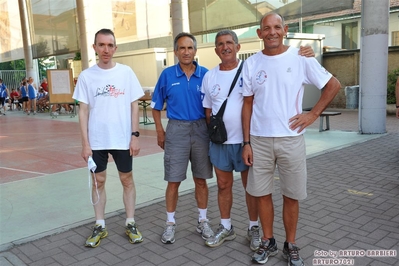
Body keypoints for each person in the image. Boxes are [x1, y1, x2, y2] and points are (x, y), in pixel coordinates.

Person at [242, 13, 341, 265]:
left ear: (285, 30)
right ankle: (268, 241)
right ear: (259, 33)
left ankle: (291, 244)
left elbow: (333, 85)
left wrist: (313, 114)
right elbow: (248, 105)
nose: (272, 32)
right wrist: (246, 142)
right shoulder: (251, 63)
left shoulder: (300, 57)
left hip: (291, 139)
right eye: (267, 28)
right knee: (262, 194)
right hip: (260, 140)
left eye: (277, 27)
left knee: (291, 195)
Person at [202, 30, 315, 251]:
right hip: (220, 143)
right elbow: (208, 110)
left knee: (252, 188)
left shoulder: (251, 67)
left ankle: (254, 228)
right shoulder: (210, 76)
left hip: (249, 142)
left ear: (237, 47)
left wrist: (306, 53)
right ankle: (226, 226)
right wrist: (216, 133)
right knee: (223, 186)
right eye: (220, 44)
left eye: (229, 43)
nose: (225, 47)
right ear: (215, 49)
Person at [73, 28, 145, 248]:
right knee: (99, 181)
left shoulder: (126, 73)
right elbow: (83, 111)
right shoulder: (86, 76)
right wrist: (85, 144)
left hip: (122, 139)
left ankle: (130, 222)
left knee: (127, 180)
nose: (106, 49)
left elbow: (134, 106)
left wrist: (134, 136)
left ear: (115, 48)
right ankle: (100, 224)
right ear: (95, 47)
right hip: (97, 141)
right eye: (101, 45)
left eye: (110, 45)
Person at [151, 32, 214, 244]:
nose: (186, 52)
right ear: (176, 51)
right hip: (176, 130)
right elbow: (156, 105)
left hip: (201, 129)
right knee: (173, 180)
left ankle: (203, 221)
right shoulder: (167, 75)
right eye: (181, 48)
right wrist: (160, 130)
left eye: (190, 48)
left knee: (201, 179)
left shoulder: (206, 74)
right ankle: (170, 224)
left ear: (195, 51)